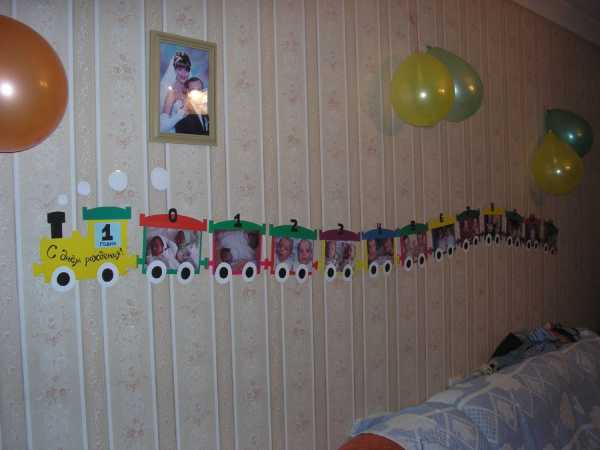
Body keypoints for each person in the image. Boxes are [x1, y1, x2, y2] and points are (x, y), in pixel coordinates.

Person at [160, 52, 191, 133]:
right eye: (180, 69)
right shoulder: (172, 94)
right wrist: (181, 113)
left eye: (187, 70)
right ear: (174, 70)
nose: (184, 74)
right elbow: (162, 127)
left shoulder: (190, 91)